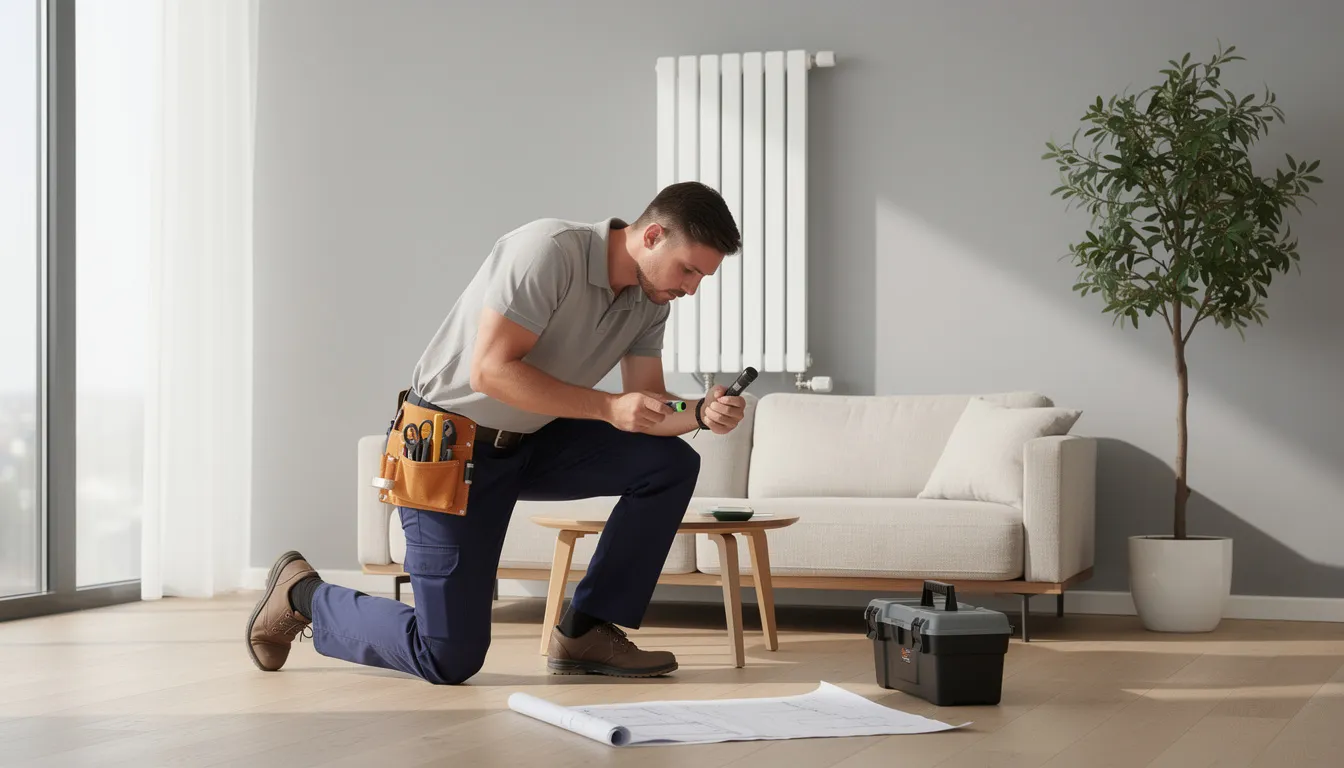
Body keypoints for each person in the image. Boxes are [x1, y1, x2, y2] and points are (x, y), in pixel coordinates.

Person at [246, 181, 746, 683]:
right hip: (448, 449)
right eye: (689, 270)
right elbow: (490, 371)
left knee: (670, 462)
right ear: (653, 236)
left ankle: (585, 630)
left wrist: (699, 411)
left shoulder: (650, 301)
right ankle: (300, 594)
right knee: (447, 657)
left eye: (702, 277)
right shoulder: (549, 250)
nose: (691, 288)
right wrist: (608, 407)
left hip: (534, 443)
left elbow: (649, 405)